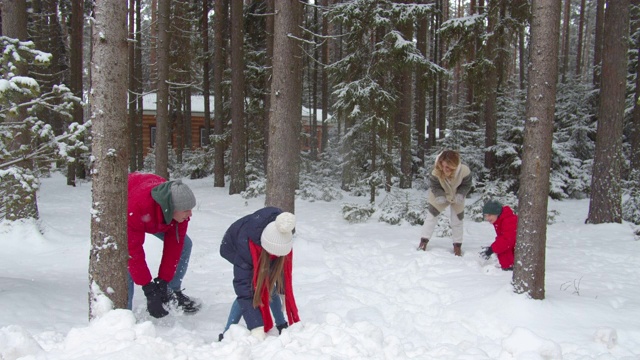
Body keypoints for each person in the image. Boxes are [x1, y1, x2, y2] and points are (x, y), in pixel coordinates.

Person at [218, 207, 300, 341]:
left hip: (261, 248)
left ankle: (281, 323)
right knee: (252, 288)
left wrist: (284, 292)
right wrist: (256, 326)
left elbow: (282, 274)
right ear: (267, 249)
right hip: (233, 247)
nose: (279, 256)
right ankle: (228, 331)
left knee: (269, 284)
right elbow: (244, 291)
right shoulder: (246, 252)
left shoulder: (281, 231)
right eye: (275, 254)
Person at [127, 172, 201, 318]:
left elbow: (174, 246)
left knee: (185, 244)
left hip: (158, 216)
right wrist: (148, 288)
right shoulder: (138, 207)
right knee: (126, 261)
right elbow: (133, 251)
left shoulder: (180, 212)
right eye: (187, 210)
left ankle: (171, 291)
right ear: (172, 207)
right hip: (131, 208)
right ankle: (123, 313)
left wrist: (163, 281)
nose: (190, 214)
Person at [417, 150, 472, 256]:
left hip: (457, 195)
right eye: (444, 166)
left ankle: (457, 246)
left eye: (449, 167)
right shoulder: (435, 171)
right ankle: (423, 242)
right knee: (431, 217)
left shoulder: (464, 170)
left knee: (457, 220)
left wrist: (461, 194)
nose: (445, 169)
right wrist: (439, 195)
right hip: (440, 195)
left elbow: (466, 184)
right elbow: (434, 185)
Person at [479, 199, 518, 271]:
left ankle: (509, 268)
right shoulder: (500, 220)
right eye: (485, 216)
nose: (487, 218)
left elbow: (507, 241)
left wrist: (492, 249)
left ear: (496, 213)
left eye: (490, 215)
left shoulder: (509, 220)